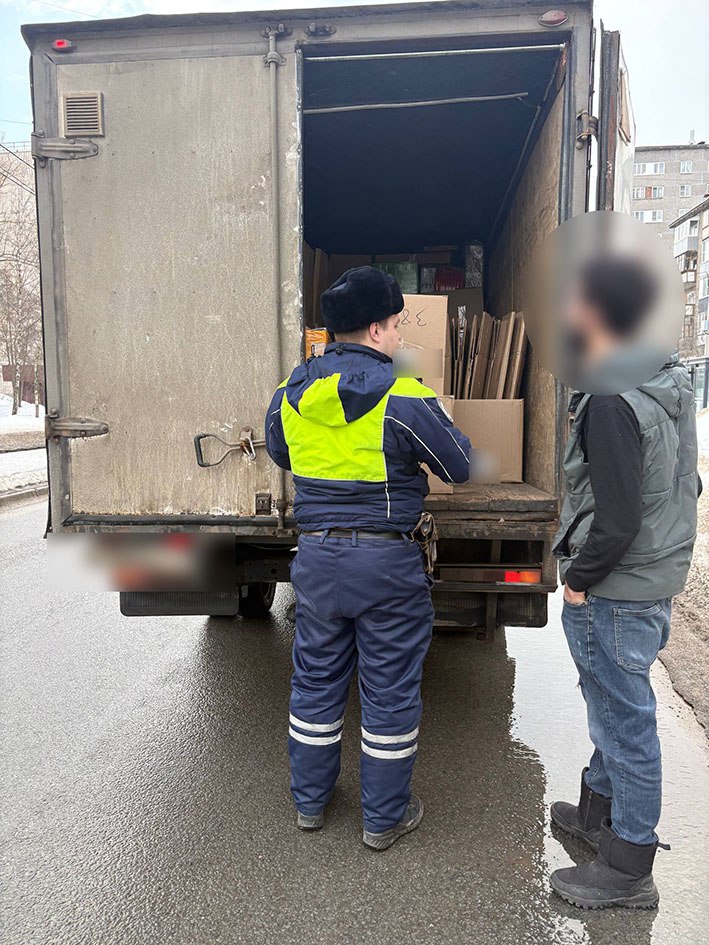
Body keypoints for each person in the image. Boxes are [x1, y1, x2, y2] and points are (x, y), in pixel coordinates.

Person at [265, 265, 471, 850]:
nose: (400, 336)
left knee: (315, 682)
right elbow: (458, 466)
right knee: (388, 692)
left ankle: (310, 805)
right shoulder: (404, 395)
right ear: (377, 330)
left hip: (316, 559)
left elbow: (281, 453)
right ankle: (383, 820)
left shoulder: (290, 394)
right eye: (397, 326)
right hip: (385, 565)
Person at [550, 254, 699, 909]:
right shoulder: (663, 379)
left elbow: (618, 518)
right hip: (650, 579)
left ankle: (628, 867)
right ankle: (597, 816)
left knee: (624, 723)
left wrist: (578, 582)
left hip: (616, 588)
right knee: (612, 707)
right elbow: (687, 485)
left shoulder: (611, 398)